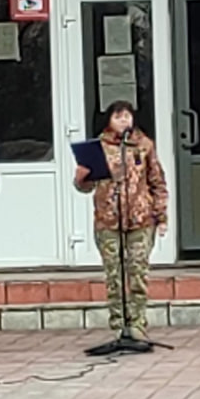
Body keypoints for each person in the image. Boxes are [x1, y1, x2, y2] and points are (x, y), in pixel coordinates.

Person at [75, 100, 168, 343]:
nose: (124, 120)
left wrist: (161, 216)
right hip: (108, 221)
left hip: (140, 220)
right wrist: (81, 179)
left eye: (127, 116)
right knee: (114, 275)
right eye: (118, 116)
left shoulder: (144, 145)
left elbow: (157, 182)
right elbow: (86, 186)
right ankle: (118, 325)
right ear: (109, 120)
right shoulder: (99, 147)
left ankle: (137, 324)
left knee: (137, 272)